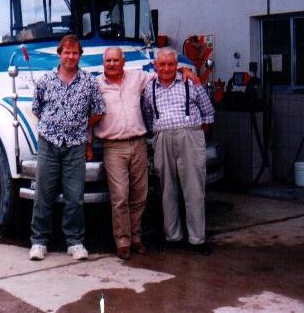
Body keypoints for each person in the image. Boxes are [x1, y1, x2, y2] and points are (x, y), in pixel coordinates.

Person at [90, 47, 197, 260]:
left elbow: (163, 71)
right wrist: (88, 145)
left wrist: (185, 70)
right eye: (108, 61)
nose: (112, 64)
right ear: (104, 63)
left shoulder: (137, 77)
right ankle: (122, 242)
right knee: (120, 196)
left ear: (123, 61)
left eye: (116, 60)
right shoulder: (96, 84)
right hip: (113, 146)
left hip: (138, 143)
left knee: (140, 194)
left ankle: (136, 238)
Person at [29, 35, 105, 261]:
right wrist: (54, 125)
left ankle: (75, 242)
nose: (71, 56)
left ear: (80, 55)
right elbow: (36, 108)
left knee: (75, 196)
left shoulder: (89, 82)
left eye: (75, 53)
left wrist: (79, 125)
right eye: (67, 52)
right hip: (49, 143)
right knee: (43, 194)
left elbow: (98, 111)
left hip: (76, 145)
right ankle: (39, 242)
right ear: (59, 54)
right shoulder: (45, 81)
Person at [141, 47, 215, 256]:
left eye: (171, 64)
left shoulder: (190, 82)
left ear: (177, 66)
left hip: (189, 136)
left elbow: (208, 113)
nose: (166, 68)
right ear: (155, 66)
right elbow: (148, 116)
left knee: (194, 189)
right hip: (162, 138)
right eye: (162, 64)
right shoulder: (149, 88)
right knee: (168, 190)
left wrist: (194, 136)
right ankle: (173, 237)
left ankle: (197, 239)